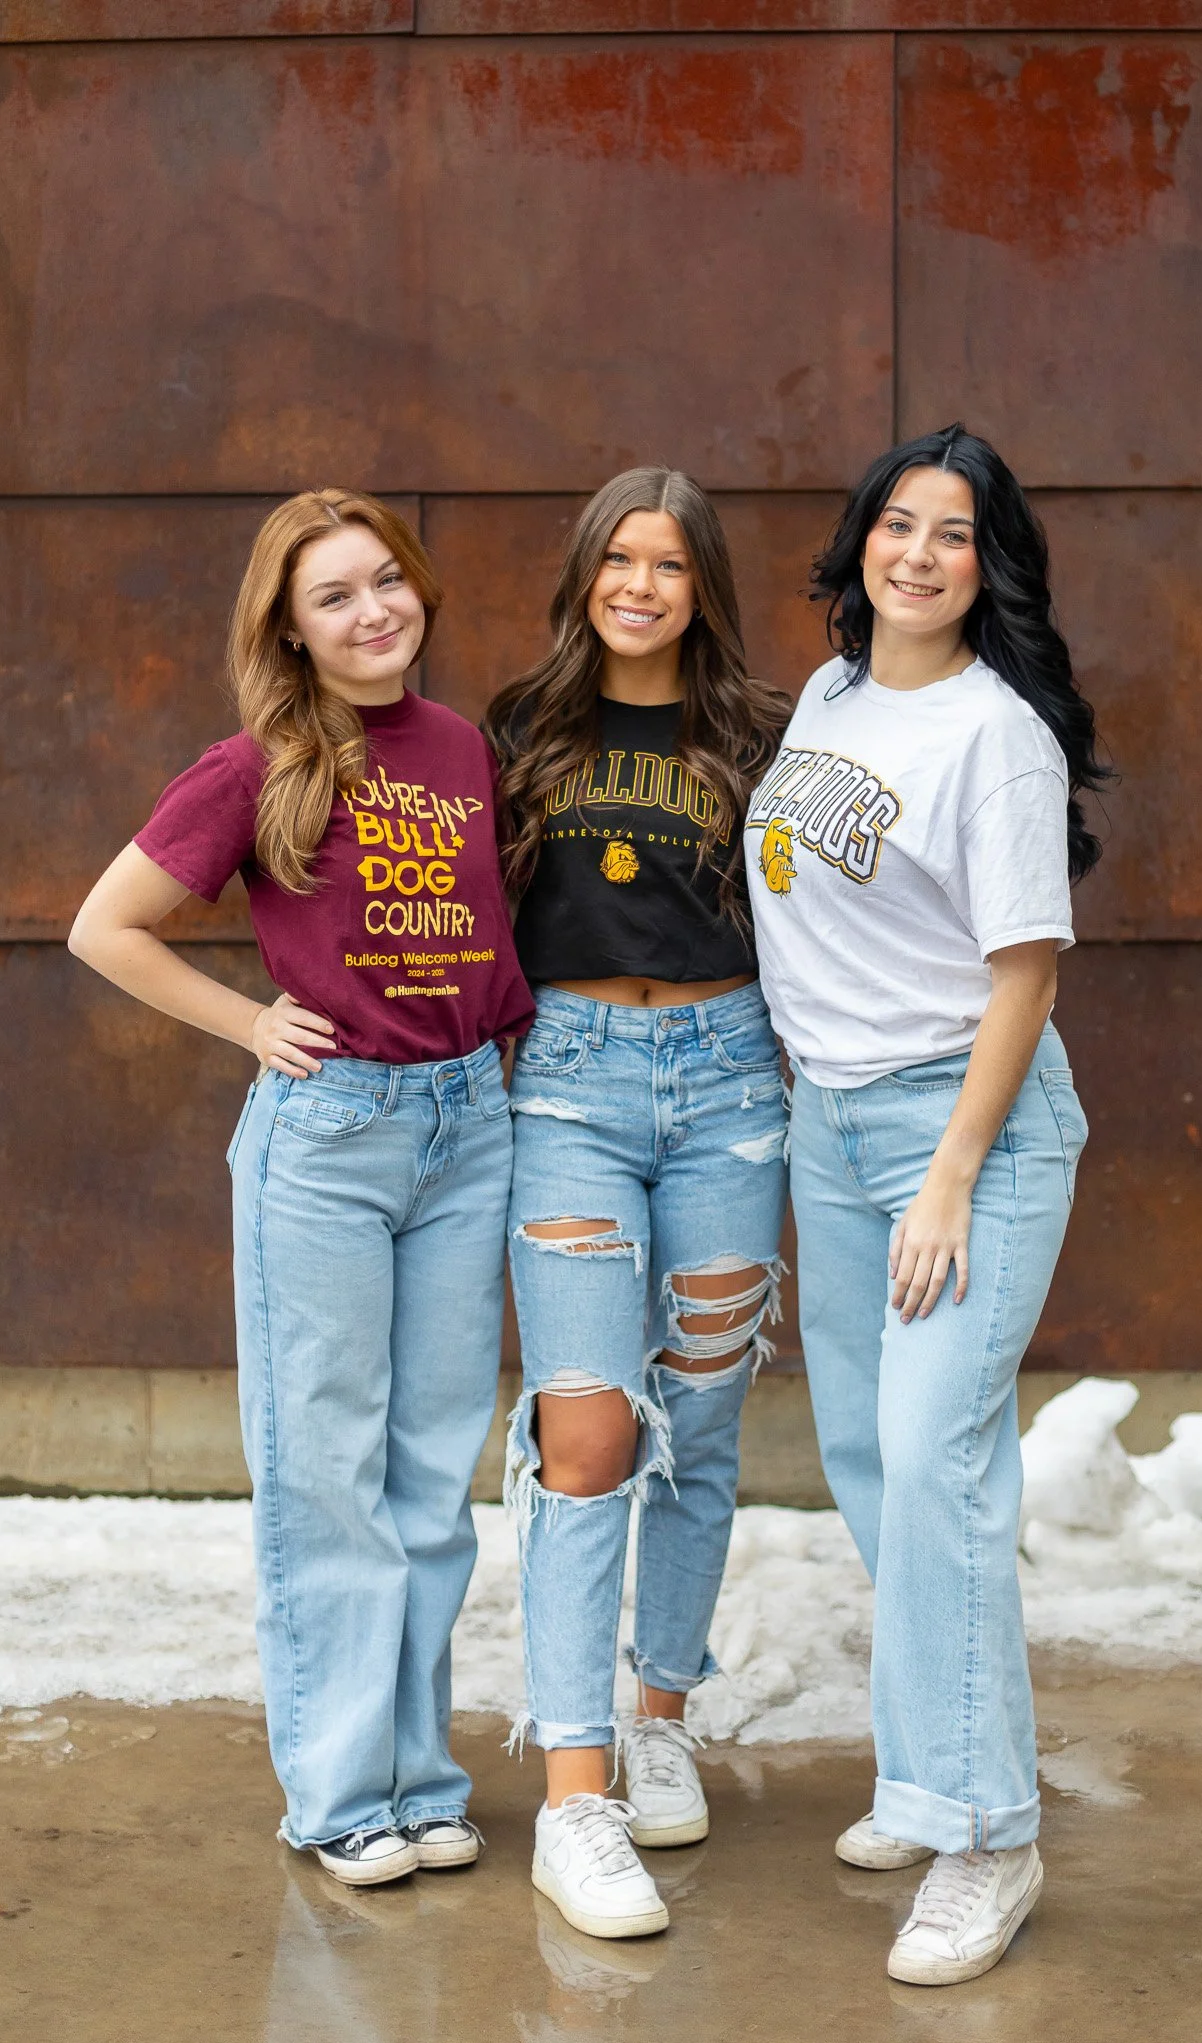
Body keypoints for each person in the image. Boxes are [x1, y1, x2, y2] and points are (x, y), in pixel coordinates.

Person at [69, 490, 533, 1888]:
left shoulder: (460, 750)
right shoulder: (256, 764)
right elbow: (106, 928)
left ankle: (418, 1778)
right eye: (333, 596)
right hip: (329, 1142)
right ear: (289, 626)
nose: (371, 610)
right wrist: (252, 1024)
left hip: (467, 1127)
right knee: (325, 1469)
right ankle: (338, 1797)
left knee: (430, 1472)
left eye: (385, 580)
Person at [744, 426, 1109, 1985]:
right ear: (860, 545)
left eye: (951, 535)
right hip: (828, 1127)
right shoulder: (831, 695)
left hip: (961, 1131)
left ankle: (986, 1833)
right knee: (870, 1460)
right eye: (897, 525)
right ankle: (926, 1766)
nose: (916, 554)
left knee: (937, 1464)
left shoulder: (995, 736)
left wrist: (950, 1172)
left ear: (989, 565)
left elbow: (1023, 970)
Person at [483, 468, 792, 1940]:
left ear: (700, 585)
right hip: (568, 1084)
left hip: (733, 1080)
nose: (640, 585)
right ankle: (573, 1792)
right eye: (617, 557)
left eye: (668, 563)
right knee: (589, 1424)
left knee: (707, 1409)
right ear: (583, 574)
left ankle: (659, 1710)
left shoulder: (761, 736)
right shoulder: (517, 730)